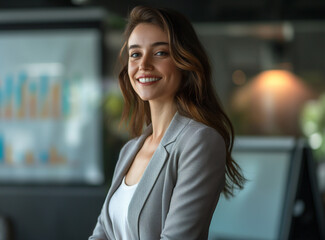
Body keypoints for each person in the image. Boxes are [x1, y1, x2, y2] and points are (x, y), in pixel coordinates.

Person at [89, 6, 245, 240]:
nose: (143, 64)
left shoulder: (200, 142)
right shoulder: (129, 150)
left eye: (160, 53)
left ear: (184, 62)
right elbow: (100, 234)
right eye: (135, 54)